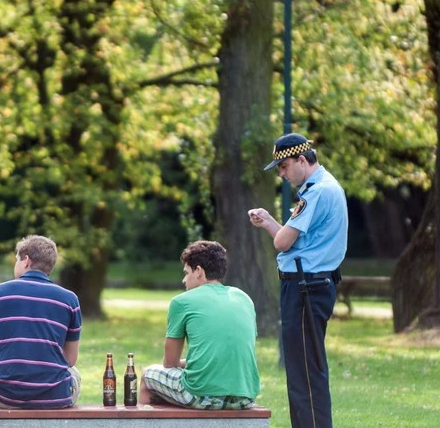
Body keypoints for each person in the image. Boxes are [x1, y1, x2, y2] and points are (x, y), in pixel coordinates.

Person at [247, 133, 347, 428]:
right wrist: (268, 221)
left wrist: (270, 226)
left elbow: (282, 242)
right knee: (305, 368)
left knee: (304, 371)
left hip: (306, 289)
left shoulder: (316, 192)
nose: (281, 173)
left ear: (302, 160)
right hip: (312, 285)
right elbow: (291, 242)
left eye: (284, 166)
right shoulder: (325, 186)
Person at [139, 240, 261, 410]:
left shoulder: (182, 302)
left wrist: (186, 363)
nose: (184, 280)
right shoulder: (243, 298)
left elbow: (170, 362)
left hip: (200, 395)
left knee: (148, 376)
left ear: (198, 271)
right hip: (245, 396)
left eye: (186, 272)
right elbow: (232, 350)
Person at [0, 235, 83, 409]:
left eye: (17, 259)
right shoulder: (69, 300)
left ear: (26, 261)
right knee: (73, 373)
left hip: (3, 394)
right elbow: (70, 360)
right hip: (55, 396)